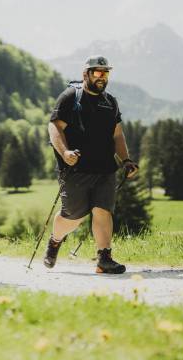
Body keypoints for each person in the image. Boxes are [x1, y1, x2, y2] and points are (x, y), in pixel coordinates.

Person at [44, 56, 138, 274]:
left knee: (103, 209)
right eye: (97, 72)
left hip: (105, 168)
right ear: (85, 74)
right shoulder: (70, 97)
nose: (102, 77)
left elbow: (117, 135)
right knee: (73, 216)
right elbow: (54, 127)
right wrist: (65, 152)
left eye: (105, 73)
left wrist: (126, 160)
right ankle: (56, 240)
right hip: (76, 168)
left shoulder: (110, 102)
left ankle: (104, 258)